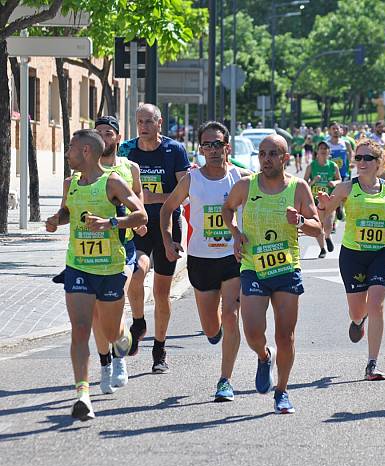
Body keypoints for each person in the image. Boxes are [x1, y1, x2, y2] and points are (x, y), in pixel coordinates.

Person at [45, 129, 147, 420]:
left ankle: (124, 337)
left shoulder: (112, 182)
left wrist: (110, 223)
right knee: (80, 328)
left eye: (71, 148)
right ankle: (83, 396)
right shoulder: (71, 183)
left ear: (86, 151)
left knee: (112, 332)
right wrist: (57, 220)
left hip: (110, 269)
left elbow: (141, 215)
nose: (67, 153)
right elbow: (68, 212)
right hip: (78, 265)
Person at [222, 134, 321, 414]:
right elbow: (227, 208)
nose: (266, 159)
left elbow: (318, 227)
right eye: (262, 153)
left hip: (287, 267)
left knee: (285, 336)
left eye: (273, 154)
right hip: (253, 266)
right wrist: (235, 233)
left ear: (285, 158)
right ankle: (264, 357)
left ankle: (282, 391)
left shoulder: (298, 188)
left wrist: (300, 220)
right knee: (253, 331)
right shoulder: (245, 185)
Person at [160, 121, 251, 402]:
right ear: (200, 149)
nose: (213, 150)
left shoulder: (242, 179)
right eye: (207, 145)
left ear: (227, 147)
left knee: (231, 315)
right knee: (211, 327)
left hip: (233, 257)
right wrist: (167, 241)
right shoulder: (191, 180)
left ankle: (225, 380)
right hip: (200, 259)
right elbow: (167, 209)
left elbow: (268, 199)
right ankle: (217, 333)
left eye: (218, 144)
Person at [317, 138, 385, 381]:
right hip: (353, 255)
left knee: (377, 304)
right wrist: (322, 206)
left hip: (381, 253)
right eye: (358, 158)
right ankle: (359, 321)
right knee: (358, 310)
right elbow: (324, 213)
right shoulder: (346, 187)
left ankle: (372, 363)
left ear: (379, 162)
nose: (361, 162)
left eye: (367, 158)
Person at [118, 104, 190, 373]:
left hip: (167, 227)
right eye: (139, 122)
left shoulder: (174, 150)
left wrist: (151, 198)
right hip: (138, 226)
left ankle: (159, 348)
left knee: (161, 293)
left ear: (160, 123)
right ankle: (138, 321)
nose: (143, 126)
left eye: (149, 121)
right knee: (136, 271)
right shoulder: (127, 150)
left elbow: (184, 192)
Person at [93, 116, 145, 394]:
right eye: (98, 132)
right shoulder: (83, 171)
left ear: (117, 137)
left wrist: (140, 220)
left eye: (109, 133)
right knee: (97, 314)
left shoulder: (130, 168)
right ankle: (106, 361)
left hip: (122, 247)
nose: (104, 137)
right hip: (88, 251)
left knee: (115, 301)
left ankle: (120, 358)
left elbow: (138, 197)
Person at [304, 141, 341, 258]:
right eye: (321, 148)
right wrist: (313, 181)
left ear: (329, 151)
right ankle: (322, 249)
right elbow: (303, 184)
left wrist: (334, 182)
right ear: (317, 151)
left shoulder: (333, 166)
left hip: (329, 200)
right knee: (318, 226)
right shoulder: (311, 166)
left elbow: (340, 180)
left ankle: (328, 236)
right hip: (315, 201)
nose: (323, 150)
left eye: (326, 148)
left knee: (328, 224)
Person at [327, 122, 353, 221]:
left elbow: (351, 152)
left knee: (344, 193)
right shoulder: (327, 144)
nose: (335, 130)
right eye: (333, 128)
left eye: (337, 128)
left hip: (344, 172)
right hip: (332, 174)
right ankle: (337, 208)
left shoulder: (345, 143)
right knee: (335, 194)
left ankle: (339, 207)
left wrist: (350, 162)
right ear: (329, 131)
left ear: (341, 130)